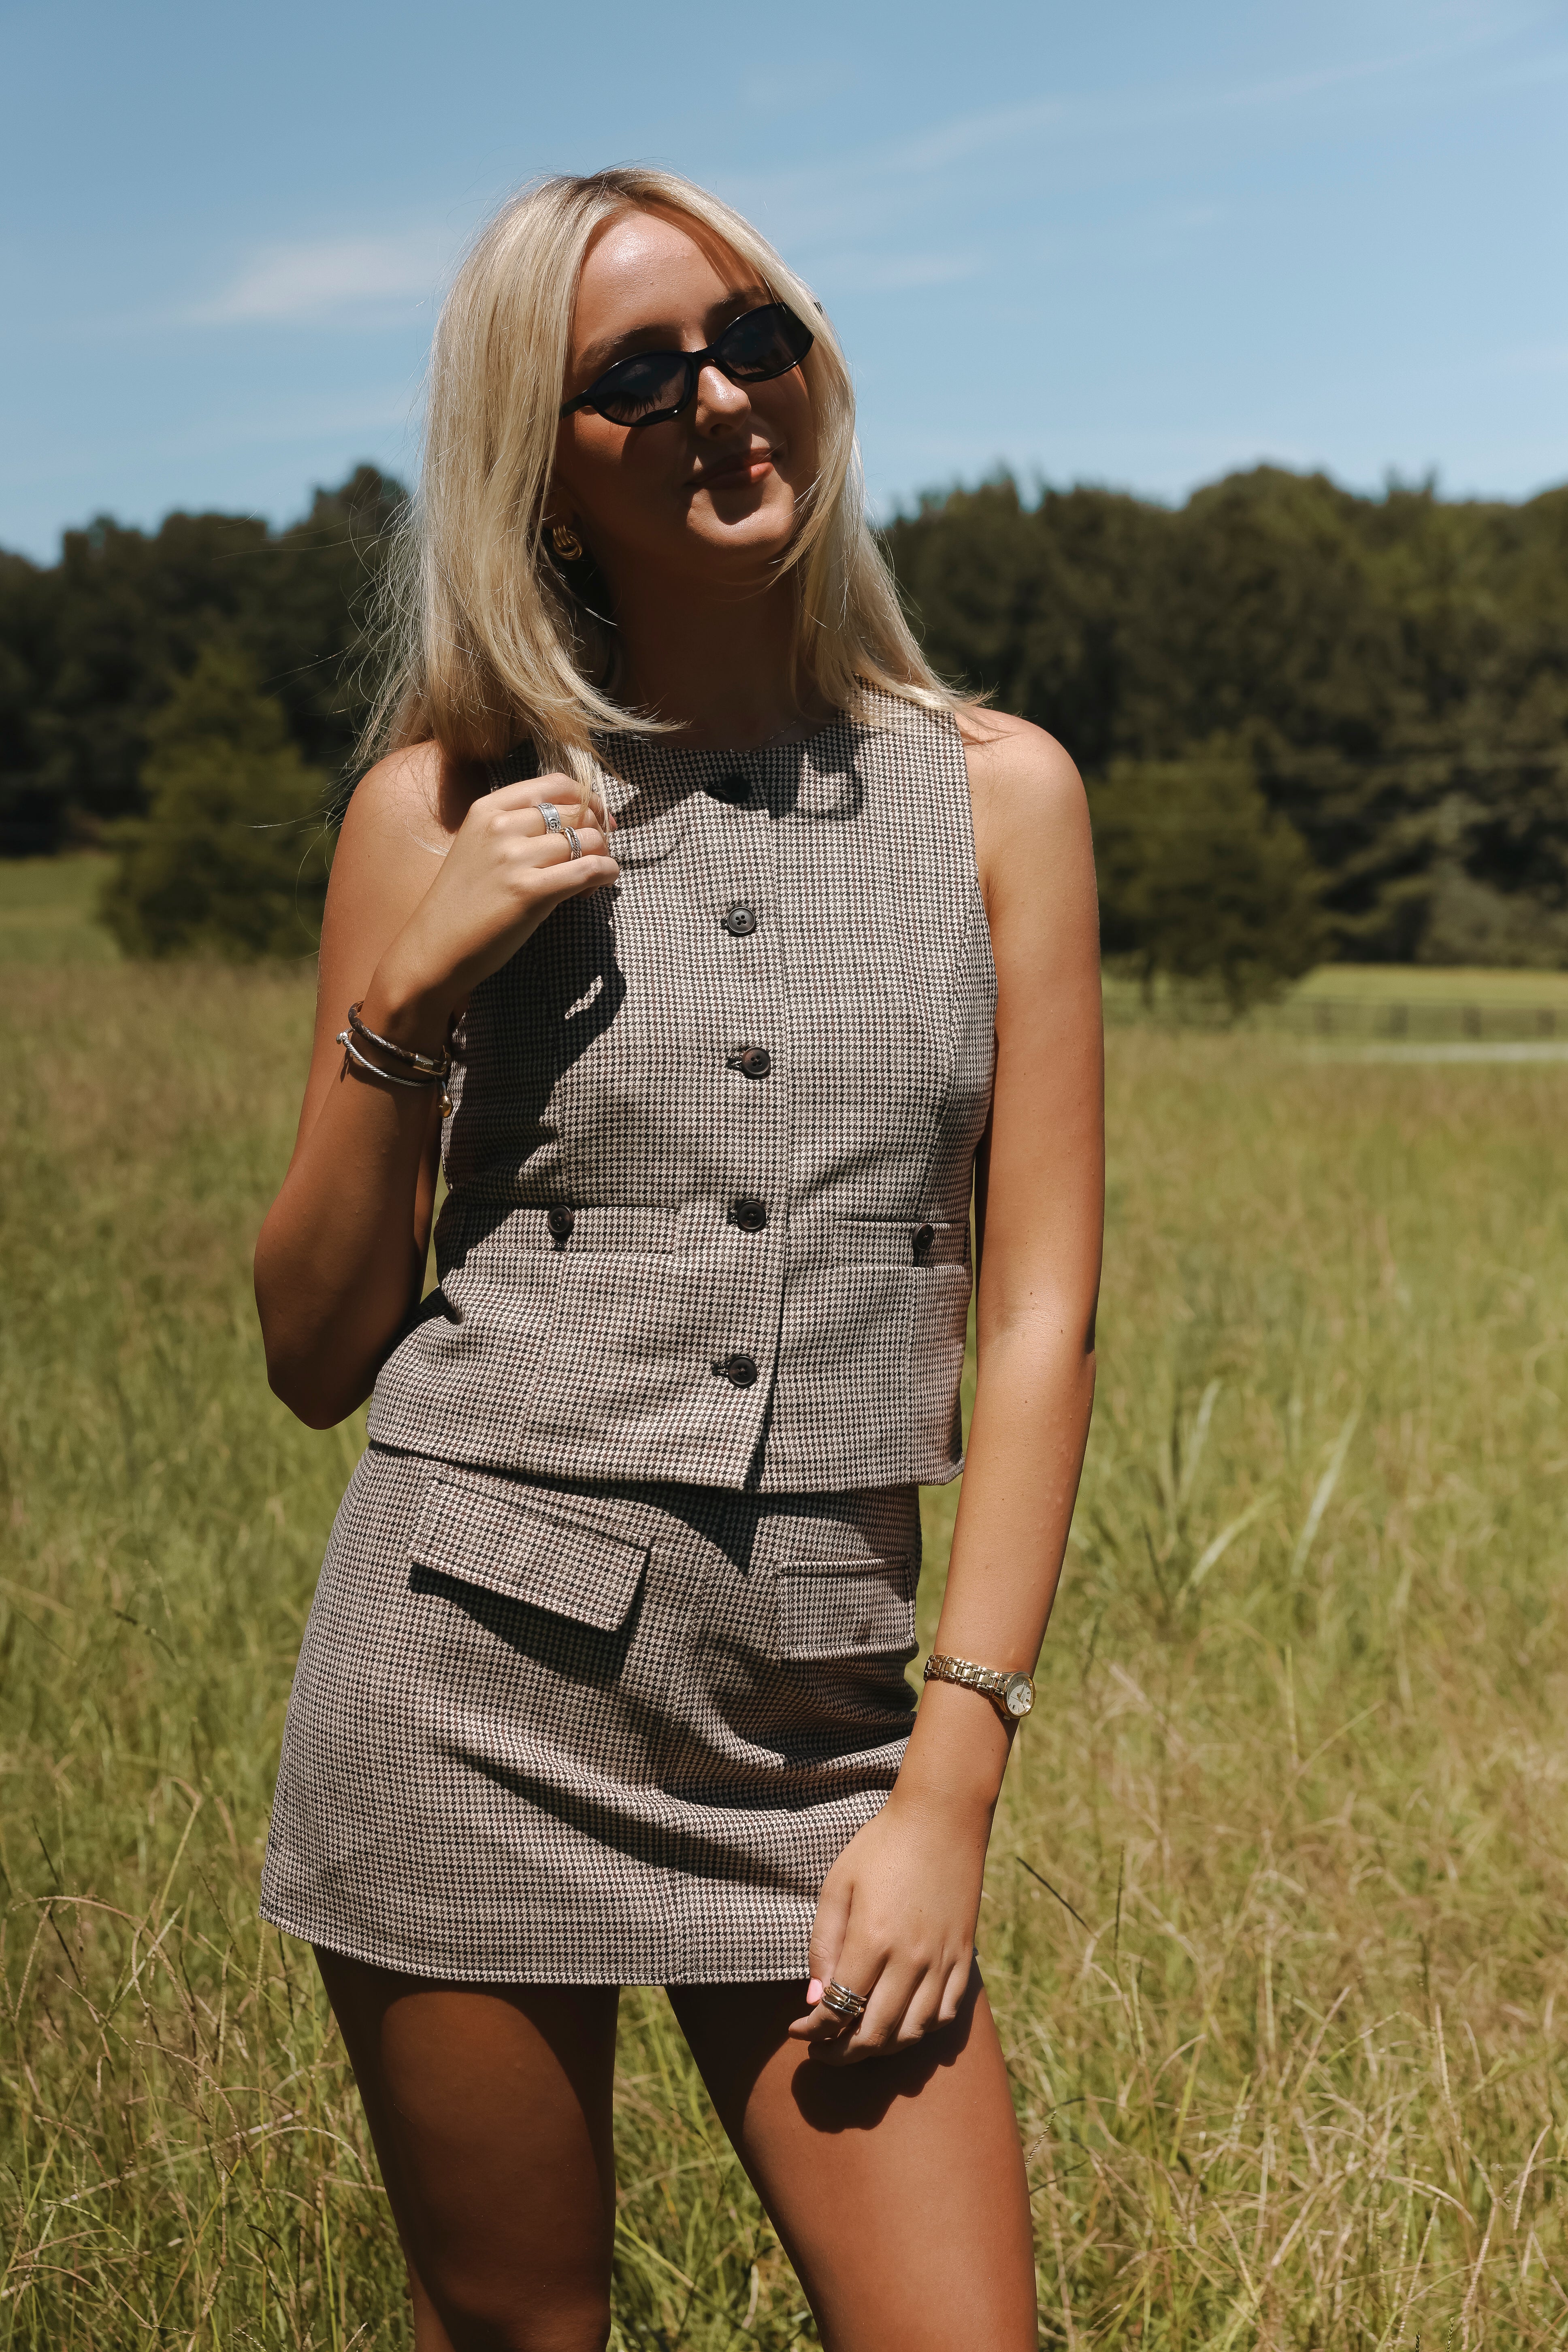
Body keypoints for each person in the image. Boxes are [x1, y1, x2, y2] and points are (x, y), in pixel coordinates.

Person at [253, 165, 1102, 2352]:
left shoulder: (1001, 796)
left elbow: (1038, 1315)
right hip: (460, 1680)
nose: (721, 400)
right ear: (535, 465)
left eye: (755, 340)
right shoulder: (435, 807)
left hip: (821, 1718)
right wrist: (409, 997)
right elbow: (313, 1349)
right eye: (637, 375)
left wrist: (950, 1783)